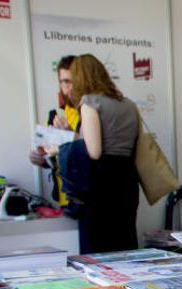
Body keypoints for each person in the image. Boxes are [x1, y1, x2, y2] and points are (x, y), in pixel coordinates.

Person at [70, 54, 140, 254]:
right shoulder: (128, 104)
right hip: (127, 177)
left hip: (101, 181)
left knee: (98, 248)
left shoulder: (89, 103)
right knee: (125, 241)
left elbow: (94, 151)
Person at [29, 55, 77, 208]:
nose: (71, 87)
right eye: (65, 81)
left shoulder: (93, 111)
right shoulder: (58, 114)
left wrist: (71, 137)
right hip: (65, 198)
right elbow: (56, 159)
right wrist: (43, 159)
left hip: (87, 199)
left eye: (74, 80)